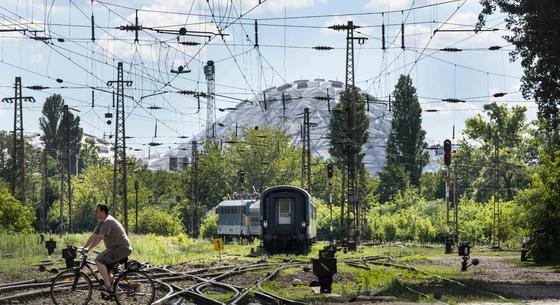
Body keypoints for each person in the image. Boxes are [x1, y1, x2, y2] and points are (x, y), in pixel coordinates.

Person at [82, 204, 132, 296]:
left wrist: (88, 249)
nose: (95, 213)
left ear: (103, 212)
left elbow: (100, 238)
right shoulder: (101, 222)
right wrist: (84, 247)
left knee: (98, 260)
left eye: (97, 211)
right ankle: (115, 290)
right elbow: (94, 235)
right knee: (106, 269)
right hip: (116, 248)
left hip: (121, 248)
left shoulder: (108, 221)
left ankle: (108, 286)